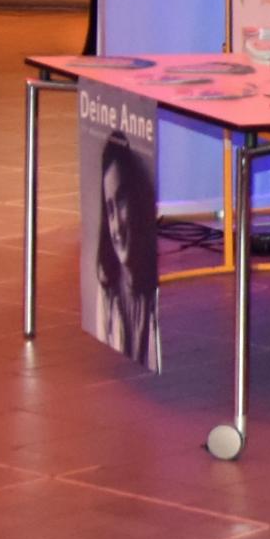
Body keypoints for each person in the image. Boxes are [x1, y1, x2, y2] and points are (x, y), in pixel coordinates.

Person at [93, 131, 160, 371]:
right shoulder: (107, 290)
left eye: (121, 202)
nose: (116, 226)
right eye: (110, 210)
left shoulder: (155, 294)